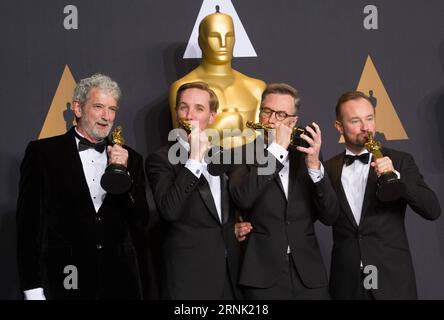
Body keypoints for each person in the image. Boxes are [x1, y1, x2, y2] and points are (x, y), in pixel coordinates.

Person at [16, 74, 149, 300]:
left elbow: (140, 221)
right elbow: (28, 227)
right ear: (78, 108)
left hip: (120, 282)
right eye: (98, 107)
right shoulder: (43, 154)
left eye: (112, 109)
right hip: (65, 278)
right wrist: (33, 288)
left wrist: (122, 175)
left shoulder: (132, 159)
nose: (107, 117)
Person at [325, 91, 441, 299]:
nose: (366, 127)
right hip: (347, 283)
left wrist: (397, 179)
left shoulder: (401, 160)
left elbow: (432, 210)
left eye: (370, 118)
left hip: (392, 279)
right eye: (355, 121)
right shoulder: (328, 168)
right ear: (339, 127)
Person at [229, 83, 339, 299]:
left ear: (293, 122)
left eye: (280, 114)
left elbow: (330, 215)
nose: (271, 120)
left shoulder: (306, 156)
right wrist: (276, 151)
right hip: (262, 276)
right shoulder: (241, 154)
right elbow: (243, 197)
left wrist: (315, 167)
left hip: (309, 275)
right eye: (267, 111)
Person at [146, 81, 242, 299]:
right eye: (183, 107)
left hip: (229, 276)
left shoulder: (225, 156)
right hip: (188, 279)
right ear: (176, 112)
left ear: (212, 116)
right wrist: (194, 160)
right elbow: (170, 211)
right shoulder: (160, 159)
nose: (189, 115)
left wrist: (237, 224)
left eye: (199, 108)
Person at [169, 8, 266, 148]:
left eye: (229, 36)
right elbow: (182, 142)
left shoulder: (256, 88)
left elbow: (263, 140)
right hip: (203, 166)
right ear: (201, 41)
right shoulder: (184, 87)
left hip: (251, 166)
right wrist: (220, 129)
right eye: (215, 36)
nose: (223, 43)